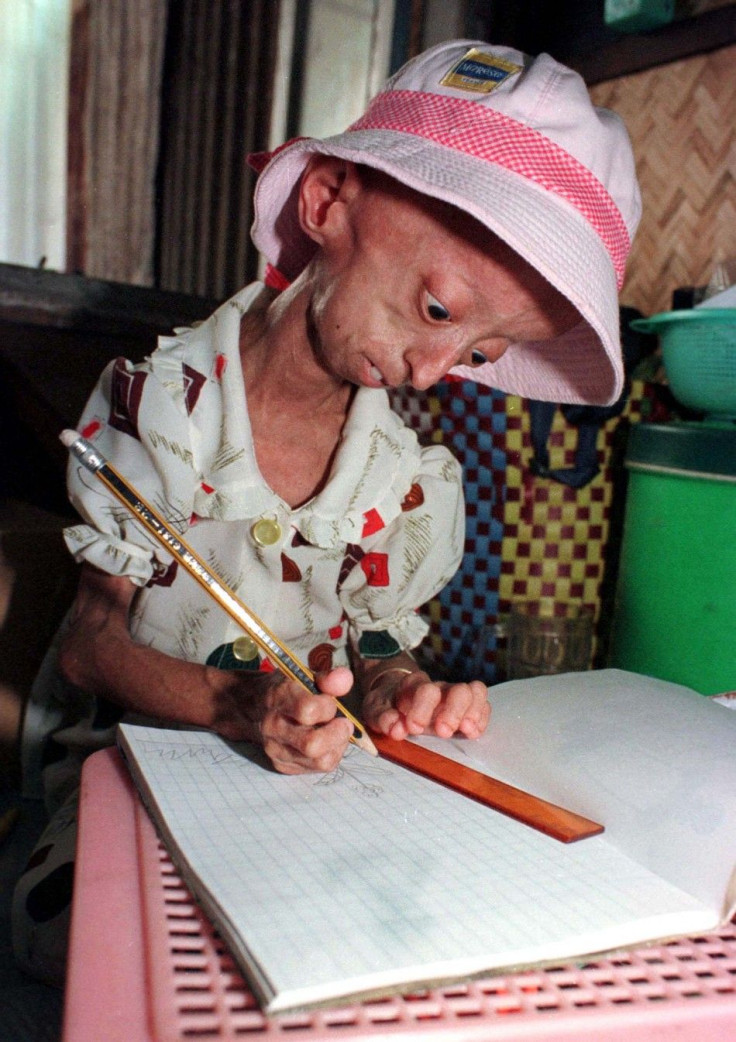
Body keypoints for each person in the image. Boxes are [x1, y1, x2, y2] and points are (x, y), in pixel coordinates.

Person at [13, 39, 640, 984]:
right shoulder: (161, 412)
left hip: (316, 797)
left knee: (391, 946)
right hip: (134, 774)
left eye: (478, 354)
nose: (436, 371)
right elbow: (89, 647)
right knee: (115, 956)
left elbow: (376, 645)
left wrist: (398, 692)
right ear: (326, 204)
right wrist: (236, 705)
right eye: (437, 311)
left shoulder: (404, 479)